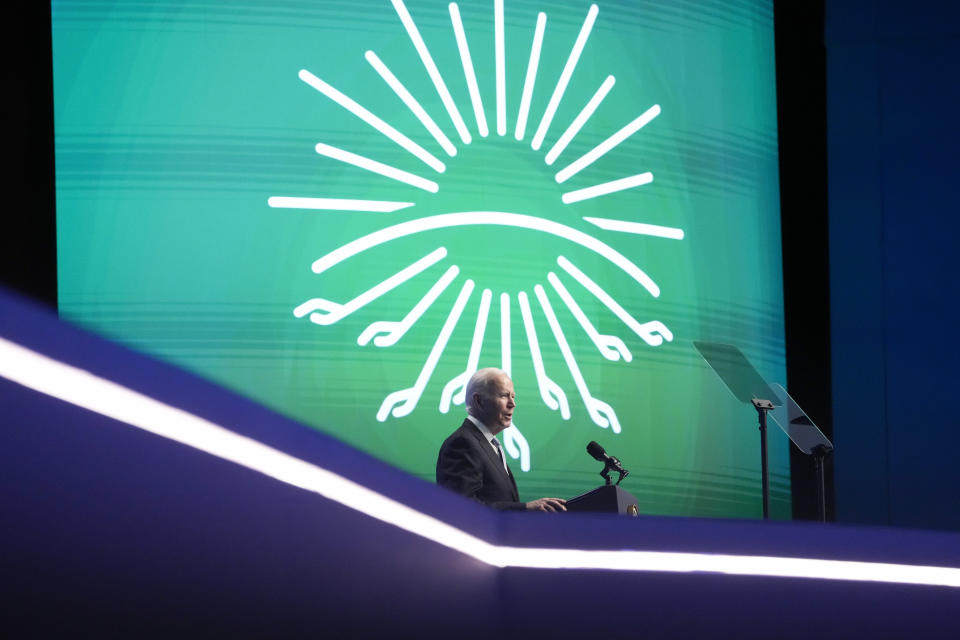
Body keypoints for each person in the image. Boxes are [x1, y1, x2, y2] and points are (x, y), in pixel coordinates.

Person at [436, 368, 567, 512]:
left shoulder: (489, 444)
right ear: (478, 401)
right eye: (504, 396)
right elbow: (461, 506)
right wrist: (525, 508)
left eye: (513, 396)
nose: (512, 404)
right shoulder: (463, 443)